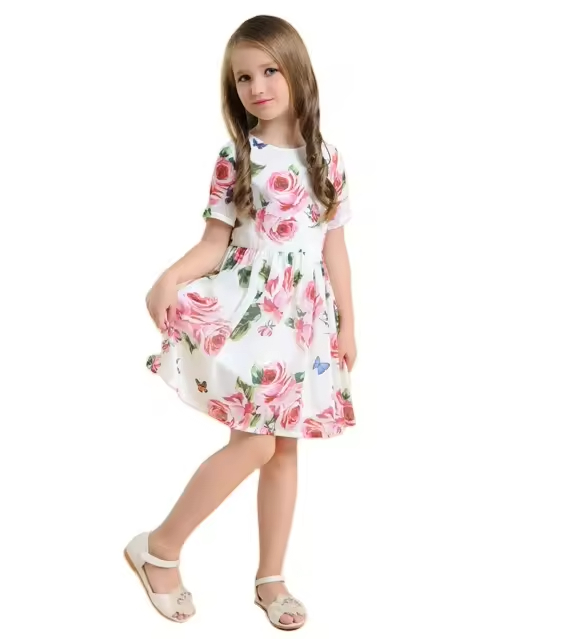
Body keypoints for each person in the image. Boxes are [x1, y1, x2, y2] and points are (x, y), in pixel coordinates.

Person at [124, 14, 358, 630]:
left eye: (269, 71)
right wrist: (171, 276)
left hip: (303, 325)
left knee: (283, 449)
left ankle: (270, 577)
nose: (257, 87)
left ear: (297, 70)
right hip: (253, 314)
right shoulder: (237, 157)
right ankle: (159, 549)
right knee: (255, 442)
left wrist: (348, 326)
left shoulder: (328, 159)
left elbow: (333, 248)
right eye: (243, 78)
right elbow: (215, 243)